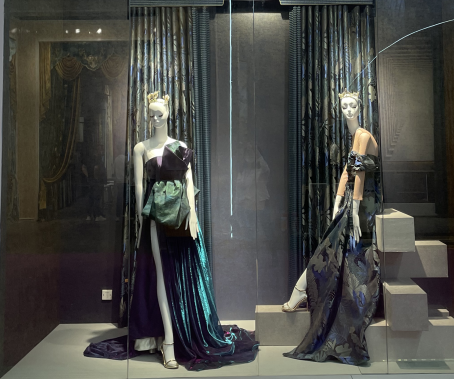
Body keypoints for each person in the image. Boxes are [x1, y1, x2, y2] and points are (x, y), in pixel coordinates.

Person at [84, 92, 258, 370]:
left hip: (181, 216)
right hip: (155, 216)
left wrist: (194, 214)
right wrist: (141, 218)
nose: (155, 119)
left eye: (159, 114)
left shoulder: (180, 146)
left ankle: (183, 333)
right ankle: (168, 343)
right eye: (151, 115)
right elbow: (139, 186)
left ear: (168, 114)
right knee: (161, 277)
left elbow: (189, 181)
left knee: (181, 273)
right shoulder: (141, 148)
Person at [282, 89, 381, 365]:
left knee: (335, 248)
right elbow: (348, 171)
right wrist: (338, 201)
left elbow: (360, 173)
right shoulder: (355, 136)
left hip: (365, 203)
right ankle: (302, 289)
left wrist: (355, 209)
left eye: (352, 106)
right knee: (331, 247)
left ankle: (300, 289)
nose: (348, 110)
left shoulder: (362, 135)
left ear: (359, 108)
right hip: (353, 201)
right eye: (344, 106)